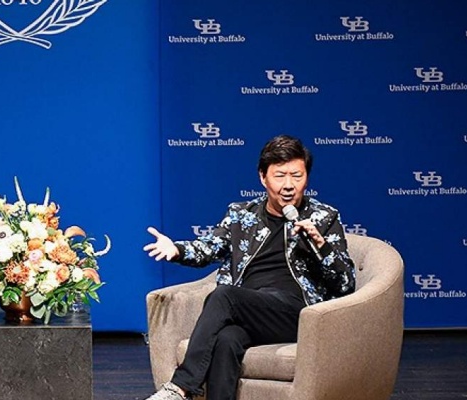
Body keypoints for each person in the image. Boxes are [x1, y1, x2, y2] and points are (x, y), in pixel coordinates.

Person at [142, 135, 356, 400]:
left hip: (296, 313)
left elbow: (346, 283)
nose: (288, 186)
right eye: (280, 176)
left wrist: (320, 245)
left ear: (307, 179)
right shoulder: (242, 215)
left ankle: (180, 387)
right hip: (251, 310)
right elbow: (210, 247)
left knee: (224, 296)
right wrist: (177, 250)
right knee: (227, 339)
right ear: (263, 177)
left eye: (297, 176)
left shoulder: (323, 217)